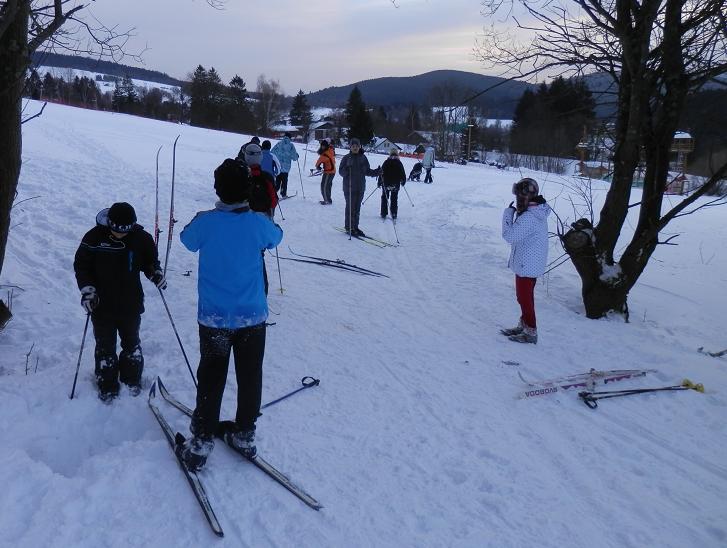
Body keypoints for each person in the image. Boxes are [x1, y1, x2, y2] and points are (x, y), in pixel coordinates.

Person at [179, 159, 283, 472]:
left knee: (212, 376)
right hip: (252, 317)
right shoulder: (257, 222)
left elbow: (187, 240)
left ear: (217, 189)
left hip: (215, 318)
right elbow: (276, 237)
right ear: (248, 190)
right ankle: (245, 434)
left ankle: (201, 441)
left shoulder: (206, 222)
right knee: (250, 376)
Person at [73, 202, 166, 402]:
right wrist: (88, 290)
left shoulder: (142, 238)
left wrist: (155, 273)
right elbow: (82, 266)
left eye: (125, 231)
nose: (120, 234)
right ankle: (107, 384)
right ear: (109, 223)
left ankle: (132, 380)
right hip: (101, 304)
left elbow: (150, 262)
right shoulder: (94, 238)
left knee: (131, 342)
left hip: (130, 302)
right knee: (105, 345)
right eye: (116, 230)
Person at [501, 178, 550, 344]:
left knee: (524, 298)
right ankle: (525, 324)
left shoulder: (530, 216)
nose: (517, 200)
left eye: (519, 196)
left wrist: (508, 213)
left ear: (525, 196)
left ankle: (531, 331)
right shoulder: (535, 211)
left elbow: (509, 236)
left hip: (527, 264)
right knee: (524, 297)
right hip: (529, 262)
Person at [338, 137, 380, 237]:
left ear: (359, 146)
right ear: (350, 147)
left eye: (357, 146)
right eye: (353, 146)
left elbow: (367, 171)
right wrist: (347, 169)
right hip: (349, 187)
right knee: (350, 208)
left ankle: (355, 227)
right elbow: (341, 172)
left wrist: (376, 172)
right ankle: (349, 227)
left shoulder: (363, 158)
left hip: (360, 187)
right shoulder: (346, 158)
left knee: (357, 209)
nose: (355, 147)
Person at [379, 148, 406, 220]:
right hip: (395, 184)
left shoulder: (386, 162)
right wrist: (403, 181)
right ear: (397, 154)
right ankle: (394, 213)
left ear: (390, 154)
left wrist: (379, 181)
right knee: (394, 198)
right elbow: (402, 173)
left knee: (384, 197)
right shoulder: (399, 163)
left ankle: (383, 212)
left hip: (386, 184)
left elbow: (381, 172)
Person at [271, 132, 299, 198]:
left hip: (278, 166)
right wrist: (297, 156)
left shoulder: (279, 144)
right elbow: (294, 157)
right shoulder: (291, 145)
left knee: (277, 180)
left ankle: (273, 192)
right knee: (284, 181)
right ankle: (283, 194)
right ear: (290, 137)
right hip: (286, 167)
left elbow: (272, 152)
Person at [315, 139, 336, 205]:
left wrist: (318, 167)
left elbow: (318, 163)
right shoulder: (331, 150)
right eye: (322, 146)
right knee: (328, 186)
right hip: (332, 171)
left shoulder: (325, 154)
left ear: (326, 146)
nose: (322, 147)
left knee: (324, 186)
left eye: (324, 146)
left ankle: (327, 200)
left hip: (328, 172)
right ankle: (328, 199)